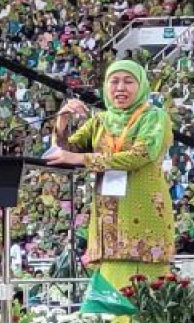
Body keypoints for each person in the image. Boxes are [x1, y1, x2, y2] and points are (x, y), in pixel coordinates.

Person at [47, 60, 175, 290]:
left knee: (143, 297)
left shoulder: (155, 118)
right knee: (108, 302)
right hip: (107, 220)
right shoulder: (100, 121)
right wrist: (63, 120)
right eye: (114, 81)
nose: (120, 88)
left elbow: (140, 155)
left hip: (143, 216)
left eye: (128, 81)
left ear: (142, 85)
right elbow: (64, 152)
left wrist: (83, 159)